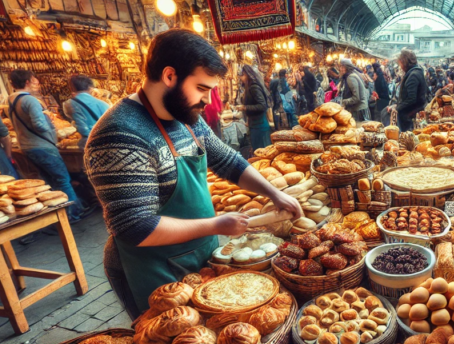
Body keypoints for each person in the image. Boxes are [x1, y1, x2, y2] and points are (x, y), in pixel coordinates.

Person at [85, 29, 302, 318]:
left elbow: (227, 160)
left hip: (201, 256)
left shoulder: (185, 118)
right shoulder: (120, 134)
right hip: (156, 271)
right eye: (201, 88)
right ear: (170, 76)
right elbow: (136, 227)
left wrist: (274, 193)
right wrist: (216, 225)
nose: (208, 100)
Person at [8, 69, 87, 222]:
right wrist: (49, 121)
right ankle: (74, 213)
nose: (37, 84)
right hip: (42, 145)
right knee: (63, 179)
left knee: (51, 180)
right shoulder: (30, 100)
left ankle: (61, 213)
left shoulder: (10, 100)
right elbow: (39, 125)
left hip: (27, 146)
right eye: (35, 81)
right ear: (27, 82)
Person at [62, 75, 110, 149]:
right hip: (106, 142)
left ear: (73, 88)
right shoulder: (104, 104)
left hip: (88, 144)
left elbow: (82, 129)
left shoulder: (69, 104)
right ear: (90, 88)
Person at [236, 65, 272, 151]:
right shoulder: (249, 87)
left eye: (242, 76)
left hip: (259, 125)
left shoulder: (254, 87)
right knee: (258, 151)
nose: (241, 79)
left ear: (246, 75)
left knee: (263, 152)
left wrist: (245, 107)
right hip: (255, 124)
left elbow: (262, 105)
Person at [390, 49, 426, 132]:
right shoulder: (416, 72)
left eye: (400, 63)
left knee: (407, 139)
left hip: (410, 115)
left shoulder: (413, 75)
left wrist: (397, 108)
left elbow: (411, 99)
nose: (400, 66)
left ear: (404, 62)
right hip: (413, 113)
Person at [338, 57, 370, 122]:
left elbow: (356, 98)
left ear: (346, 68)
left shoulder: (351, 77)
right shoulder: (350, 76)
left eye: (342, 67)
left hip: (359, 111)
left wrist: (343, 102)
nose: (340, 69)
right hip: (358, 109)